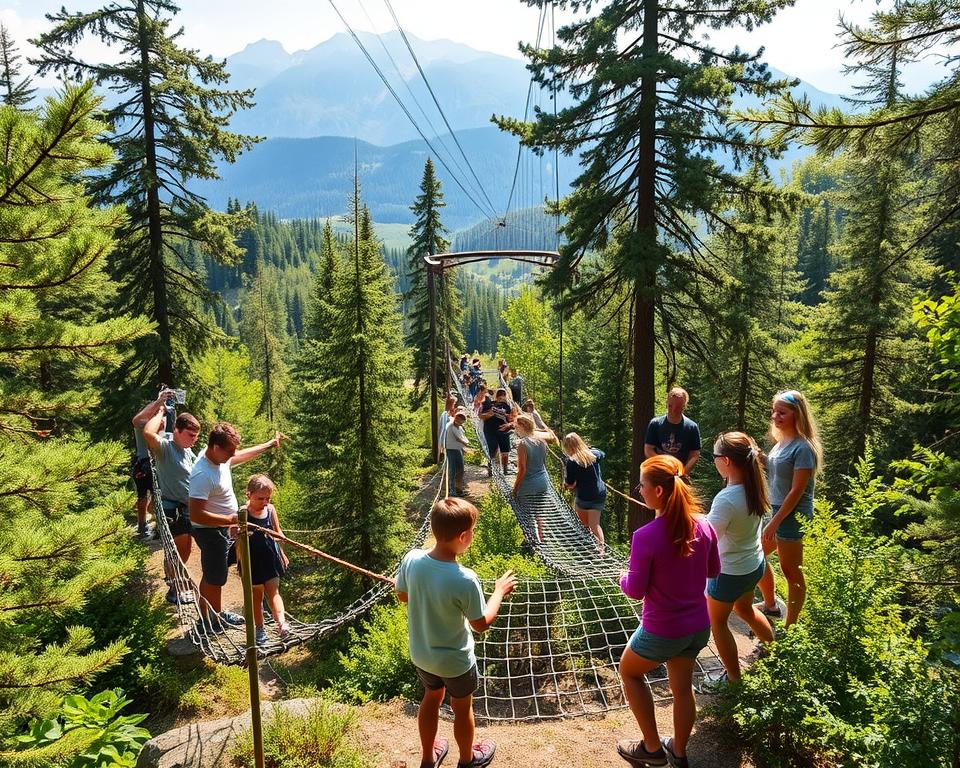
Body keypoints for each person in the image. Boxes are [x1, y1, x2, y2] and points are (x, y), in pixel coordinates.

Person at [396, 498, 516, 768]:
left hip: (423, 655)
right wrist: (498, 591)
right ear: (463, 536)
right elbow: (481, 623)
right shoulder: (464, 578)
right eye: (472, 531)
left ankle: (428, 758)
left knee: (431, 697)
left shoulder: (412, 559)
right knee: (462, 709)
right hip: (456, 662)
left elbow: (403, 595)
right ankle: (467, 759)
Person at [617, 455, 719, 768]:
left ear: (659, 491)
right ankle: (678, 751)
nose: (639, 489)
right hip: (698, 628)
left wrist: (621, 576)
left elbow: (635, 591)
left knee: (629, 672)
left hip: (663, 630)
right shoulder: (704, 525)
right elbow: (713, 569)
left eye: (643, 484)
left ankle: (651, 748)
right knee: (682, 689)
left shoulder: (645, 536)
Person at [188, 422, 285, 631]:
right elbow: (195, 514)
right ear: (215, 448)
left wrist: (268, 445)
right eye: (229, 450)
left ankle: (211, 615)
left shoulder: (219, 459)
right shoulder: (202, 474)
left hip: (222, 529)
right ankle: (212, 621)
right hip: (210, 532)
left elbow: (240, 455)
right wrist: (231, 520)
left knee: (215, 573)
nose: (233, 454)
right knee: (216, 578)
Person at [702, 432, 775, 689]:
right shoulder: (754, 488)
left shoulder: (726, 498)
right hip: (754, 565)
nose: (713, 461)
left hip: (729, 573)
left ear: (727, 461)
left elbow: (708, 539)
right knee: (745, 609)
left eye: (714, 457)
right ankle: (775, 652)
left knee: (718, 623)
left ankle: (733, 680)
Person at [756, 390, 822, 627]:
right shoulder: (783, 442)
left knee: (791, 570)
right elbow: (777, 473)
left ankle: (791, 626)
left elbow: (796, 491)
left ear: (798, 415)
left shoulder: (803, 448)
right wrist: (761, 458)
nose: (775, 416)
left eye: (782, 412)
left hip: (792, 514)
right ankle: (771, 604)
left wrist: (775, 522)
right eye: (774, 411)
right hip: (777, 510)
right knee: (756, 555)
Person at [133, 391, 202, 604]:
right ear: (178, 431)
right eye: (190, 435)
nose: (194, 440)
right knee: (179, 550)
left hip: (186, 508)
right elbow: (146, 432)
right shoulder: (165, 447)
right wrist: (161, 407)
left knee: (182, 549)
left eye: (196, 436)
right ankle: (175, 588)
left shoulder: (184, 449)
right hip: (175, 510)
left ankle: (174, 583)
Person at [240, 474, 290, 646]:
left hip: (270, 558)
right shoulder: (243, 513)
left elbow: (278, 532)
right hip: (251, 561)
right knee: (256, 596)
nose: (265, 502)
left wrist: (282, 552)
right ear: (249, 495)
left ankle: (282, 624)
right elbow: (237, 541)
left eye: (268, 498)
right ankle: (259, 629)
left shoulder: (270, 510)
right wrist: (241, 565)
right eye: (260, 498)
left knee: (273, 592)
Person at [512, 414, 557, 543]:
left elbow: (522, 469)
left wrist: (515, 489)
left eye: (516, 425)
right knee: (539, 511)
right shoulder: (542, 442)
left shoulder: (523, 444)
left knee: (527, 514)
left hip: (529, 485)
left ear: (523, 426)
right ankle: (542, 538)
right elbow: (541, 462)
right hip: (543, 481)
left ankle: (531, 542)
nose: (515, 428)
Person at [562, 432, 607, 547]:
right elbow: (602, 453)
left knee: (586, 525)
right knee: (594, 525)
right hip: (599, 494)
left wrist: (567, 485)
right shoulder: (594, 454)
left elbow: (570, 484)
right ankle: (600, 550)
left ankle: (593, 548)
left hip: (584, 496)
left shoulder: (572, 462)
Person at [644, 387, 701, 475]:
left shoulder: (691, 427)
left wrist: (683, 472)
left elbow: (695, 454)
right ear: (666, 403)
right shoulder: (655, 424)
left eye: (678, 407)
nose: (673, 410)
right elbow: (648, 449)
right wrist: (664, 464)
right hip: (659, 472)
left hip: (681, 475)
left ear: (684, 406)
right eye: (670, 406)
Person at [479, 388, 514, 475]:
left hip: (503, 430)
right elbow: (481, 416)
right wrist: (491, 413)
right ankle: (490, 470)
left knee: (505, 451)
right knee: (492, 449)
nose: (501, 398)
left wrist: (508, 423)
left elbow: (512, 419)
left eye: (503, 396)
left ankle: (505, 470)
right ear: (496, 396)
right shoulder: (489, 404)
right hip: (490, 430)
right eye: (500, 396)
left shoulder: (508, 406)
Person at [444, 411, 471, 497]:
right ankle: (452, 490)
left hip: (458, 449)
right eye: (460, 421)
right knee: (453, 470)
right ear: (456, 419)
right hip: (451, 450)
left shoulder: (459, 427)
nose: (461, 423)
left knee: (460, 469)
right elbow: (459, 439)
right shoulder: (451, 426)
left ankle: (458, 489)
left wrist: (466, 443)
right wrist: (467, 444)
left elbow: (463, 437)